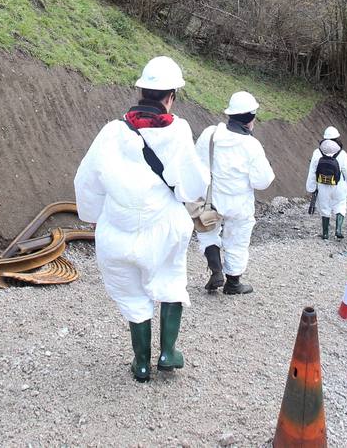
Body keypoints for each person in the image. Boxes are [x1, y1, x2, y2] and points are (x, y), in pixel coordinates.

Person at [74, 56, 208, 382]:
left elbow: (85, 180)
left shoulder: (112, 132)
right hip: (164, 230)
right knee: (171, 281)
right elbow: (193, 187)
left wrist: (93, 216)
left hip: (118, 233)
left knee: (133, 295)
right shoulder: (178, 130)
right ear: (171, 96)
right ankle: (168, 352)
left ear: (141, 91)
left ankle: (142, 363)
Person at [195, 90, 275, 296]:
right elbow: (262, 181)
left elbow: (198, 163)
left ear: (230, 114)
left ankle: (216, 270)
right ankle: (233, 283)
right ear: (251, 119)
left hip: (211, 199)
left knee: (207, 232)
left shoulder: (210, 134)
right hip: (240, 205)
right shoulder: (251, 145)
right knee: (237, 240)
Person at [306, 125, 347, 241]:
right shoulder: (342, 153)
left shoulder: (317, 152)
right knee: (340, 205)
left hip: (322, 185)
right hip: (339, 185)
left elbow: (312, 172)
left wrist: (310, 188)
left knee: (324, 208)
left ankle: (325, 234)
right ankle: (338, 230)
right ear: (337, 138)